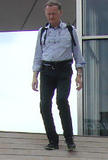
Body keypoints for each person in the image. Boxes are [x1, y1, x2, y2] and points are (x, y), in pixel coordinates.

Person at [32, 1, 85, 151]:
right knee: (44, 105)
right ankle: (53, 140)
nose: (51, 17)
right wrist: (35, 75)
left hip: (64, 70)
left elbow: (77, 53)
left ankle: (69, 139)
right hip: (47, 71)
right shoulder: (42, 31)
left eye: (53, 14)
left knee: (62, 100)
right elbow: (37, 54)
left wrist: (79, 74)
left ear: (60, 13)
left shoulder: (69, 30)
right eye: (48, 14)